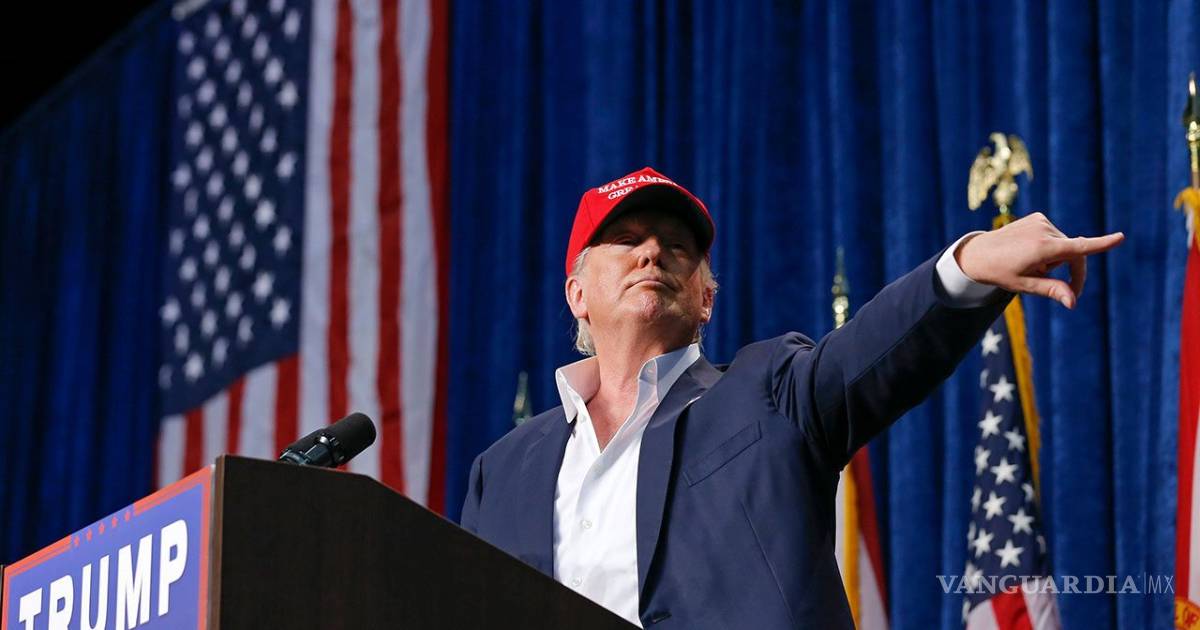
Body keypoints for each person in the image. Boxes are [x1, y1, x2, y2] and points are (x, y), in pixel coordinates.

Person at [459, 166, 1123, 628]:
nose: (653, 252)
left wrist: (967, 267)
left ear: (706, 299)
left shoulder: (770, 392)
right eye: (627, 241)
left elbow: (872, 351)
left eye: (677, 247)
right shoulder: (503, 470)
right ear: (577, 294)